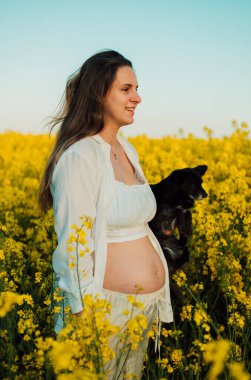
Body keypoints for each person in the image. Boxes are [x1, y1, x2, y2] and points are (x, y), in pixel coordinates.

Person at [38, 49, 173, 379]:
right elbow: (73, 244)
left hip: (143, 309)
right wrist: (84, 316)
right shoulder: (79, 157)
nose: (137, 98)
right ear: (98, 94)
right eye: (126, 89)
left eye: (137, 88)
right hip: (103, 313)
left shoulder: (128, 149)